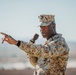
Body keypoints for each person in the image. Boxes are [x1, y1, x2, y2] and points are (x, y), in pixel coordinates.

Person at [0, 14, 69, 75]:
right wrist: (31, 43)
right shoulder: (47, 44)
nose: (42, 29)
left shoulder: (60, 43)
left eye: (45, 26)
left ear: (54, 26)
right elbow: (34, 63)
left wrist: (17, 43)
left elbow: (43, 51)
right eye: (41, 26)